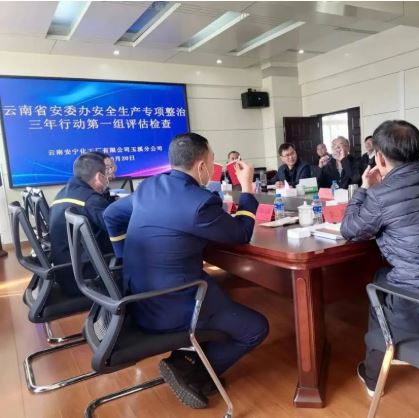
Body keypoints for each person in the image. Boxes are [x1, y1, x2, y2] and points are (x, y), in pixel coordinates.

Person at [103, 132, 269, 409]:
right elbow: (241, 233)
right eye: (212, 161)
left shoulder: (149, 186)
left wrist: (123, 257)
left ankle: (184, 357)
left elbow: (111, 215)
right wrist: (247, 187)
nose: (212, 167)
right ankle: (193, 373)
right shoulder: (200, 202)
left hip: (134, 298)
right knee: (256, 328)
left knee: (223, 297)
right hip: (172, 305)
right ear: (202, 166)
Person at [340, 120, 419, 397]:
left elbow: (349, 229)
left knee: (377, 287)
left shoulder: (381, 194)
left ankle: (374, 375)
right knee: (381, 276)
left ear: (379, 157)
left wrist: (364, 189)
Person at [49, 152, 113, 296]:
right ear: (99, 177)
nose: (109, 179)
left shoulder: (63, 193)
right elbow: (117, 230)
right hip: (87, 278)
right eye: (107, 175)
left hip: (66, 273)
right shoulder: (91, 200)